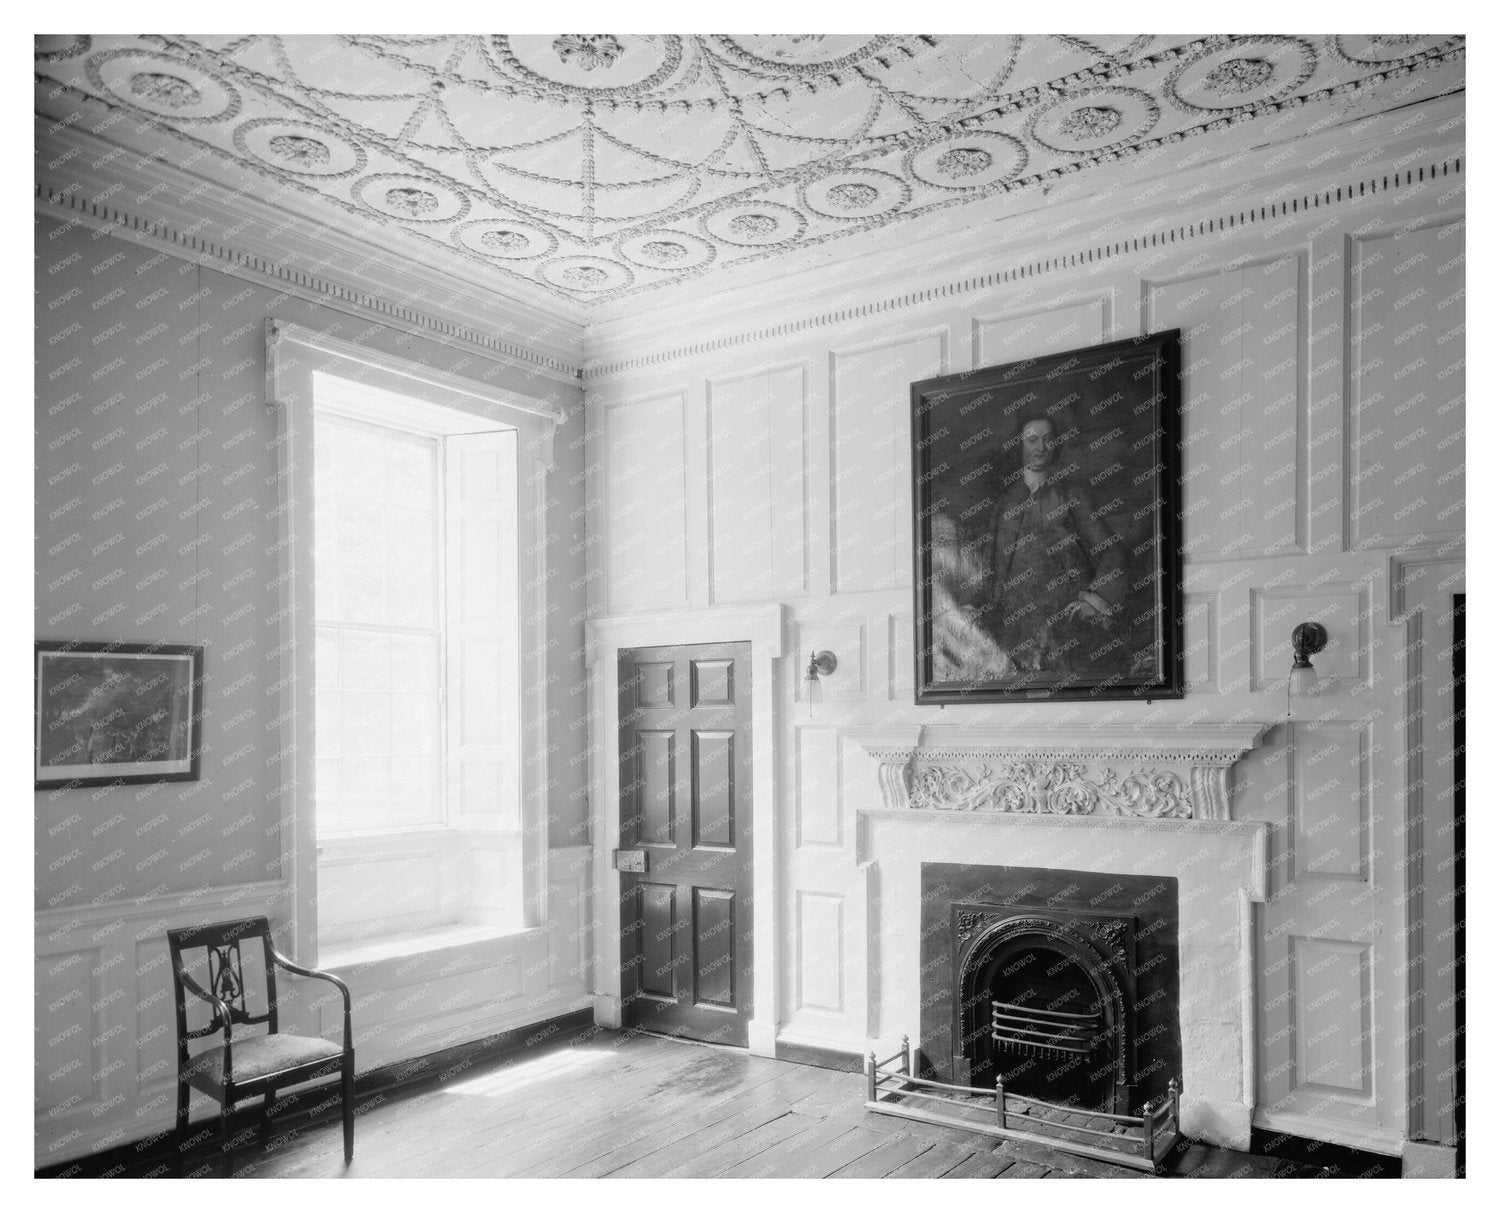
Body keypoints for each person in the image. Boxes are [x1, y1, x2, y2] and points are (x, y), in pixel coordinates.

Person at [982, 417, 1125, 676]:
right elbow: (989, 570)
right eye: (1033, 440)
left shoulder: (1071, 494)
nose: (1041, 447)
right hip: (1014, 627)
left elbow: (1110, 551)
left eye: (1048, 439)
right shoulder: (1004, 505)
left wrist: (1095, 600)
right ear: (1019, 445)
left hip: (1067, 624)